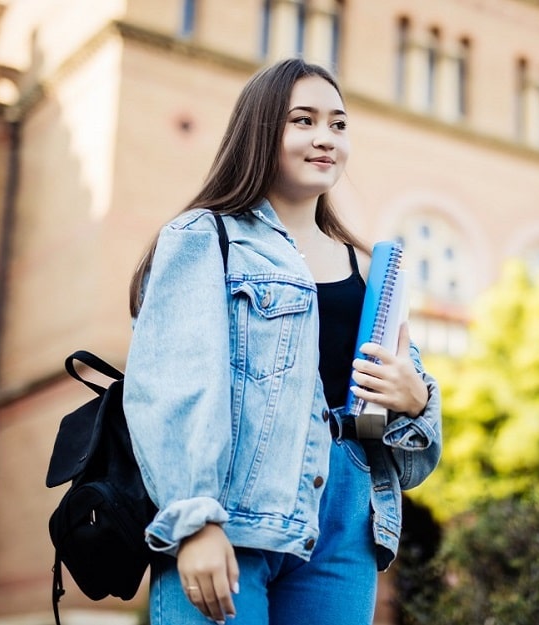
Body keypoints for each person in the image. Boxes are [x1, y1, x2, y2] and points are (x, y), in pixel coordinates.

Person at [123, 58, 442, 625]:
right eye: (304, 120)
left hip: (349, 522)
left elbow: (413, 454)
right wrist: (194, 520)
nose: (326, 139)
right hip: (235, 509)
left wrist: (415, 399)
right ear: (262, 130)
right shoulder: (205, 237)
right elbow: (171, 387)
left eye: (339, 125)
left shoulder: (370, 270)